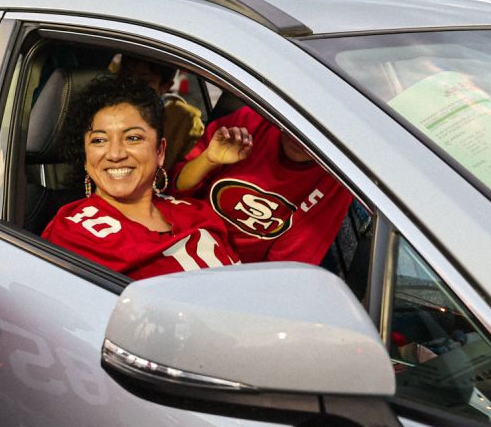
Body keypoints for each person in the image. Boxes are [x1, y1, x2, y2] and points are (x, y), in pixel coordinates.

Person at [42, 73, 239, 279]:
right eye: (99, 140)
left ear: (160, 151)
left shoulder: (196, 213)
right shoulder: (72, 235)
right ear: (85, 157)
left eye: (133, 138)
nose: (115, 154)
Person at [170, 105, 353, 265]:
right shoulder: (248, 123)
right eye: (298, 117)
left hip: (230, 272)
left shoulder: (335, 181)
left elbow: (284, 268)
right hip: (177, 239)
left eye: (316, 128)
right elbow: (175, 189)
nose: (300, 135)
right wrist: (208, 159)